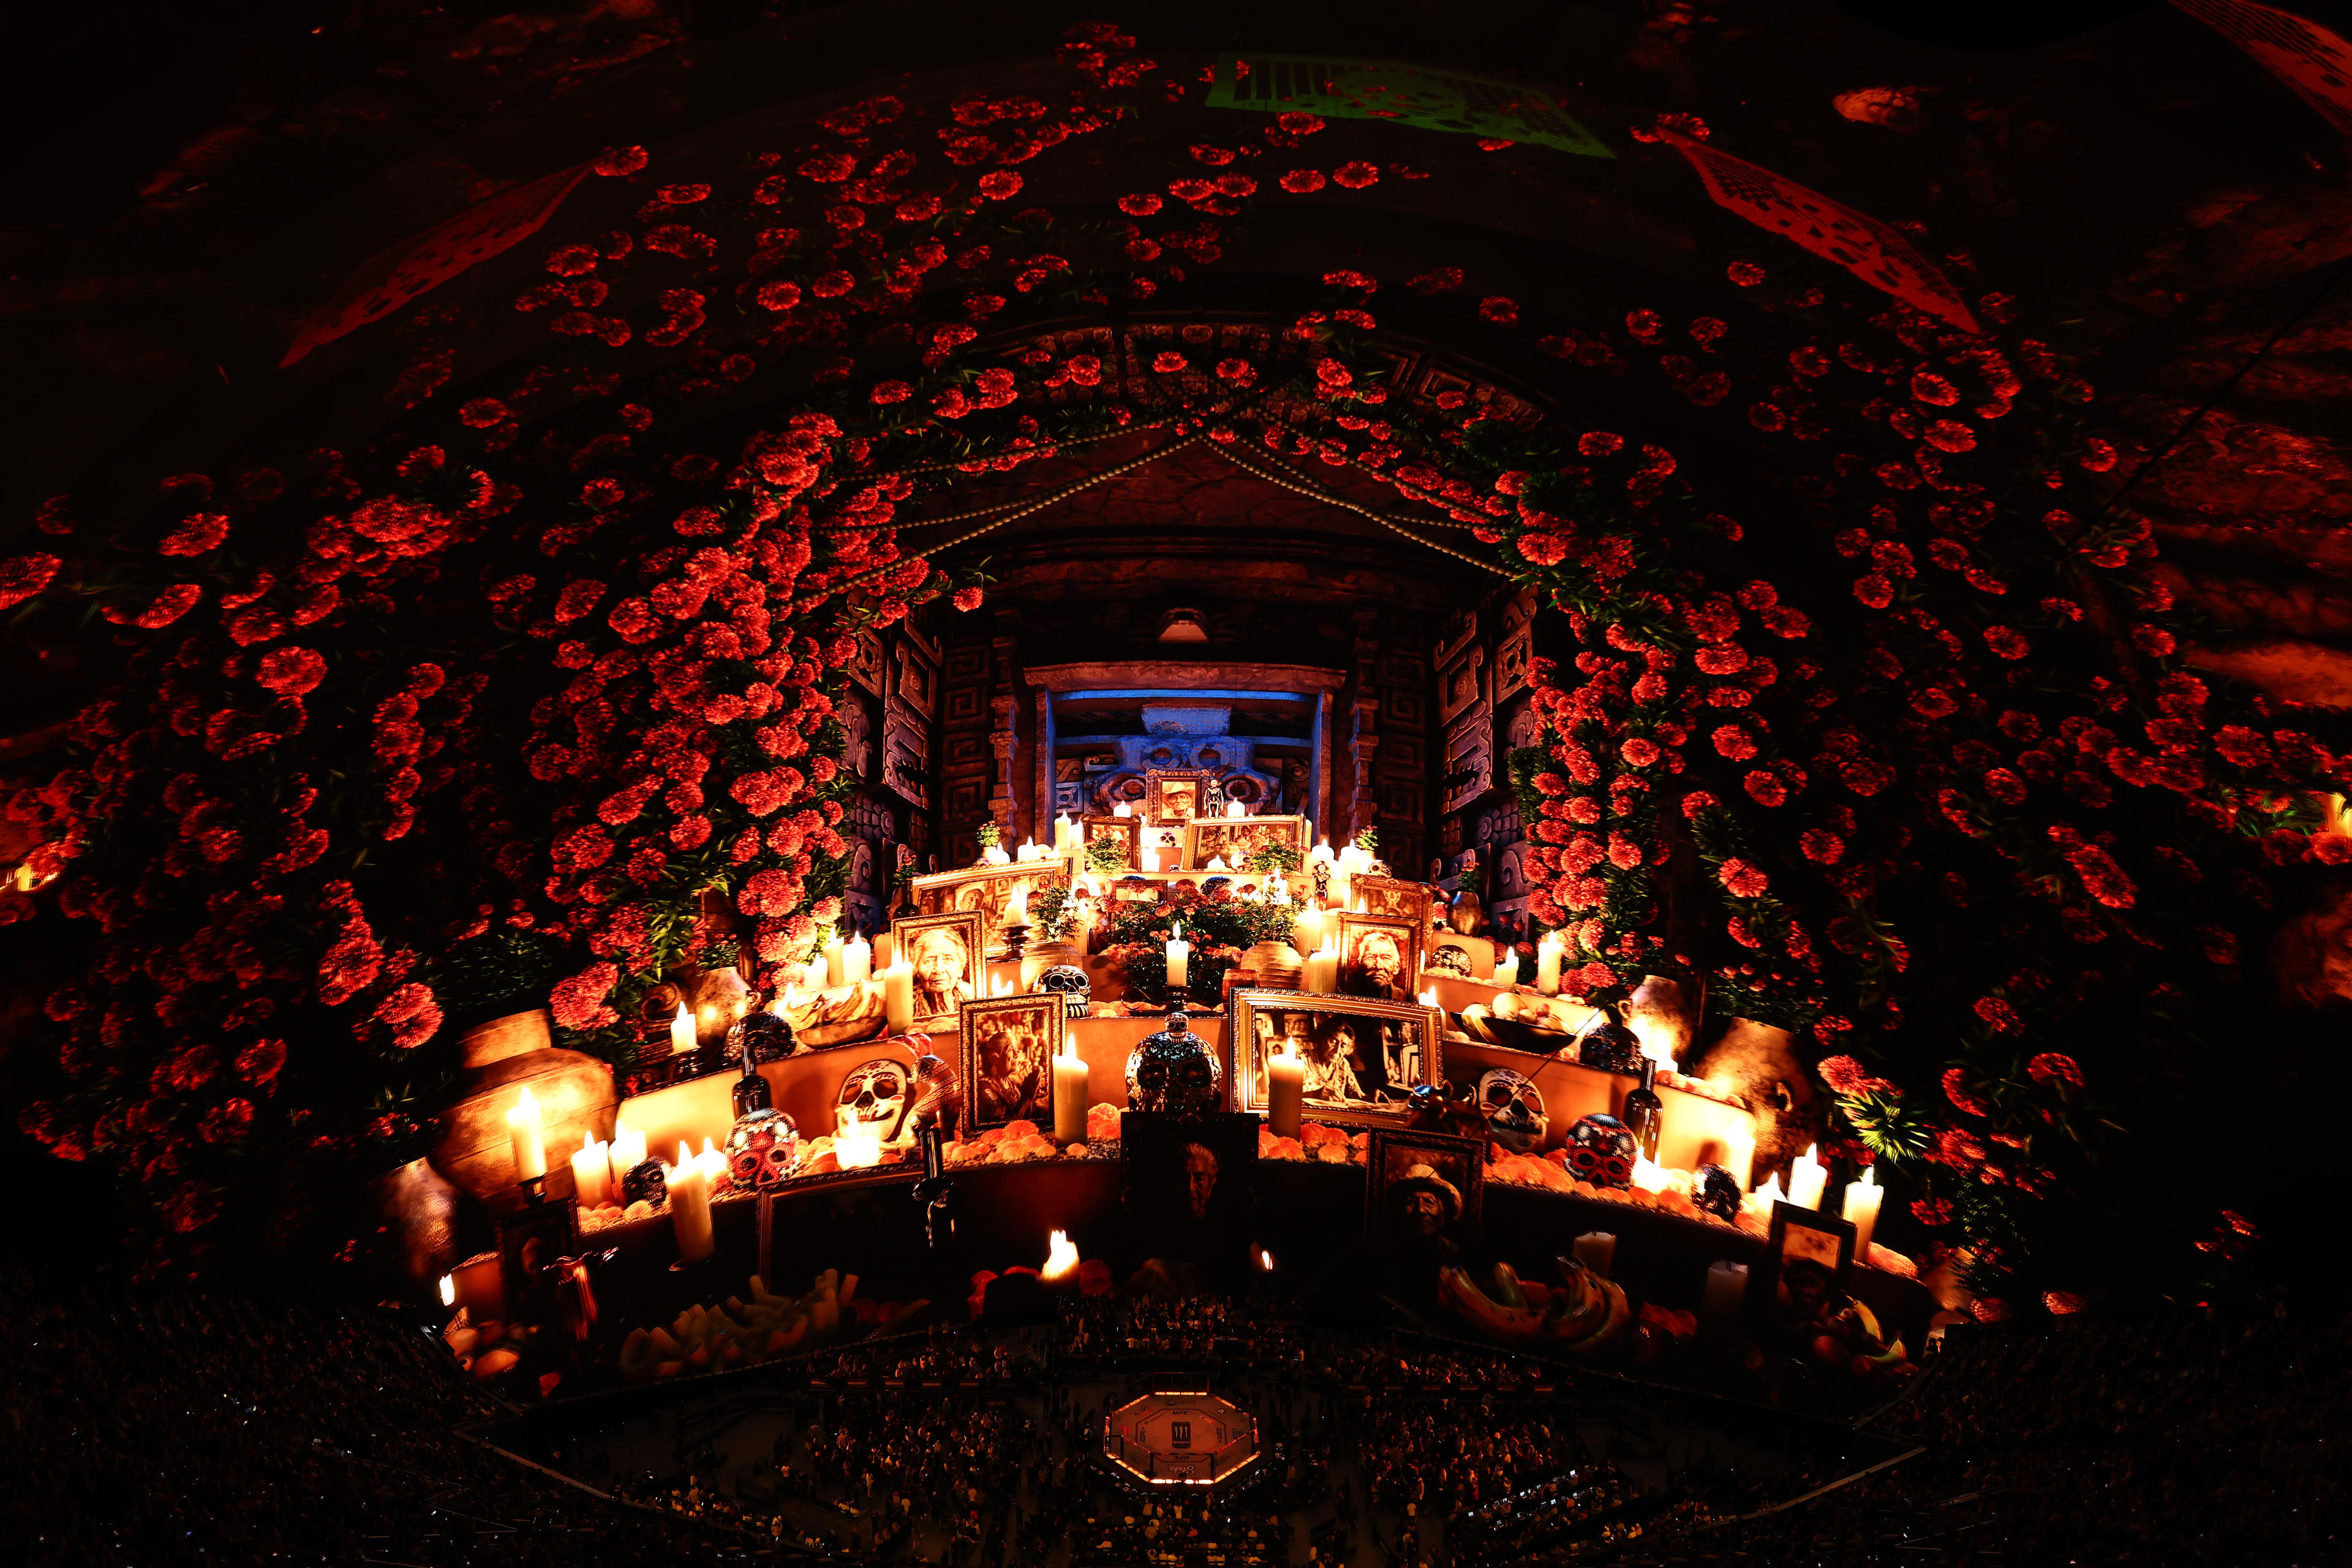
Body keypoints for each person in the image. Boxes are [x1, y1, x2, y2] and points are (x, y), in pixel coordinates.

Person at [976, 1020, 1043, 1124]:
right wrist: (1026, 1097)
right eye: (1011, 1050)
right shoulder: (984, 1088)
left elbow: (1026, 1120)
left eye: (1016, 1049)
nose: (1017, 1054)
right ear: (994, 1058)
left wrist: (1030, 1092)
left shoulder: (1011, 1083)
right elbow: (1003, 1127)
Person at [908, 924, 973, 1019]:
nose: (938, 970)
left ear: (961, 969)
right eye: (929, 961)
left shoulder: (973, 998)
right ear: (917, 968)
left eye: (948, 960)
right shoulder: (906, 1006)